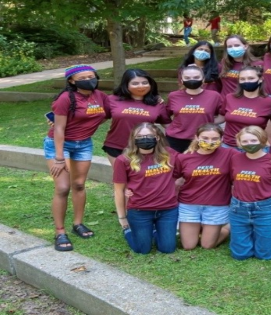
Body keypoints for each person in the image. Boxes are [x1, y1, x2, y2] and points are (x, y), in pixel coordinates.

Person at [175, 124, 271, 250]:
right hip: (189, 205)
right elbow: (176, 180)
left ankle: (227, 227)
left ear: (221, 140)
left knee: (207, 245)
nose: (209, 142)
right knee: (189, 246)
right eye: (205, 138)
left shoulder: (231, 154)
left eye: (214, 138)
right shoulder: (184, 157)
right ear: (196, 137)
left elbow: (253, 157)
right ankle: (200, 229)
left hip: (216, 205)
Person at [44, 65, 108, 251]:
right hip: (60, 145)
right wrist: (58, 158)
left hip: (84, 144)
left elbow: (108, 113)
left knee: (79, 184)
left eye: (92, 76)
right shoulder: (66, 98)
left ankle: (78, 223)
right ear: (72, 81)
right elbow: (58, 128)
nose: (89, 79)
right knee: (63, 187)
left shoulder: (100, 96)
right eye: (83, 77)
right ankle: (60, 231)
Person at [113, 123, 179, 254]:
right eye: (140, 136)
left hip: (167, 209)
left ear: (157, 137)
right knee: (142, 250)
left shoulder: (170, 154)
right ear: (133, 139)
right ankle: (129, 231)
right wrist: (122, 219)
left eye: (149, 136)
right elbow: (118, 190)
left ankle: (154, 230)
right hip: (140, 210)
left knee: (168, 249)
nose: (145, 139)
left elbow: (192, 162)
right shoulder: (123, 160)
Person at [229, 126, 271, 260]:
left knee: (265, 255)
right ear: (239, 142)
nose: (249, 144)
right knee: (240, 255)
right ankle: (257, 235)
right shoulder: (234, 158)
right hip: (238, 209)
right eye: (245, 141)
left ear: (262, 140)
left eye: (253, 140)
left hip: (265, 209)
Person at [102, 69, 171, 165]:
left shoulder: (157, 103)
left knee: (141, 179)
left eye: (144, 83)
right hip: (116, 147)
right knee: (120, 178)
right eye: (135, 83)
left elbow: (169, 126)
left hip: (145, 147)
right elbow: (98, 120)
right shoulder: (112, 99)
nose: (141, 86)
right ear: (126, 85)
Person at [165, 65, 224, 153]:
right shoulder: (173, 96)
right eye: (187, 77)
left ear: (203, 79)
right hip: (176, 140)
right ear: (182, 80)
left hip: (204, 139)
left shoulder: (214, 96)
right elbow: (166, 116)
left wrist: (208, 122)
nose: (192, 80)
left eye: (196, 77)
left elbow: (223, 115)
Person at [220, 66, 271, 150]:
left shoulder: (269, 101)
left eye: (251, 78)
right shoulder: (229, 98)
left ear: (260, 79)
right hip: (228, 146)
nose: (246, 81)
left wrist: (270, 146)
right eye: (242, 79)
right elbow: (221, 117)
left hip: (255, 148)